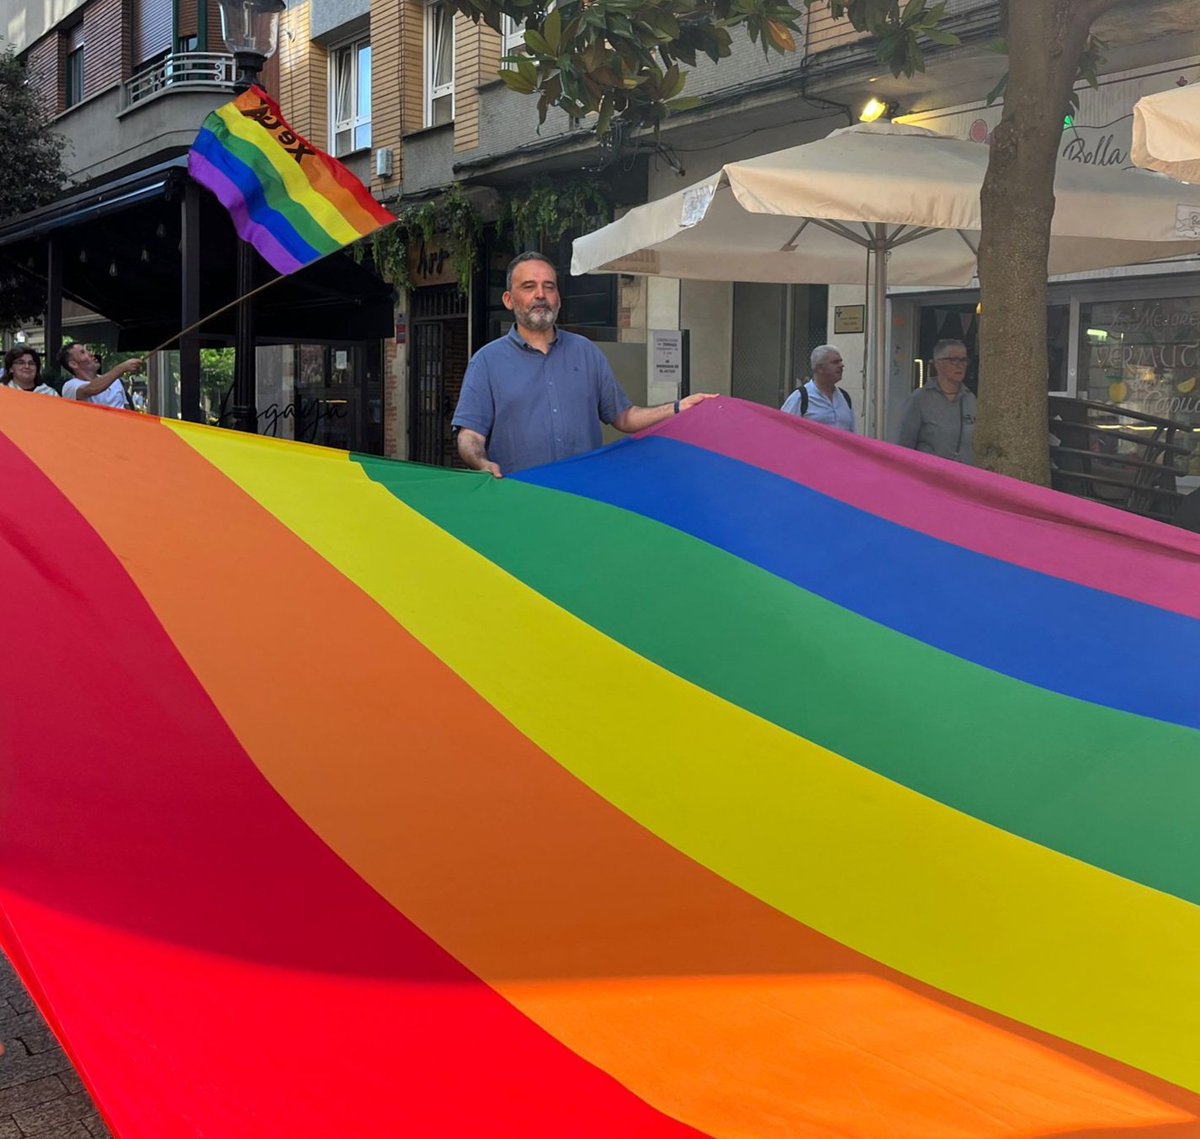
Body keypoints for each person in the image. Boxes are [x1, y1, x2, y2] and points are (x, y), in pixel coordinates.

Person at [452, 252, 716, 477]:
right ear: (509, 300)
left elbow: (623, 416)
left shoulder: (586, 352)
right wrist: (481, 462)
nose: (541, 295)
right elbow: (470, 435)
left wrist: (679, 408)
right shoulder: (486, 362)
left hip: (582, 496)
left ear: (558, 298)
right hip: (519, 498)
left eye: (549, 286)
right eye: (529, 286)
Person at [893, 339, 977, 464]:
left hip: (965, 476)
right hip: (929, 476)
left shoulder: (970, 399)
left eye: (963, 360)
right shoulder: (919, 399)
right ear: (938, 364)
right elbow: (903, 445)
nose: (960, 365)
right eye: (953, 360)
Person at [780, 345, 855, 432]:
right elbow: (782, 430)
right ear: (819, 368)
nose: (841, 365)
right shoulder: (801, 397)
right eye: (835, 362)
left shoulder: (845, 397)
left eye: (840, 361)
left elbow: (853, 434)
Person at [57, 343, 143, 409]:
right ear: (73, 364)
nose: (91, 354)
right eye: (82, 352)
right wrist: (122, 368)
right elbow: (91, 389)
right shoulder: (70, 386)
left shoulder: (115, 381)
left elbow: (126, 408)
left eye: (88, 350)